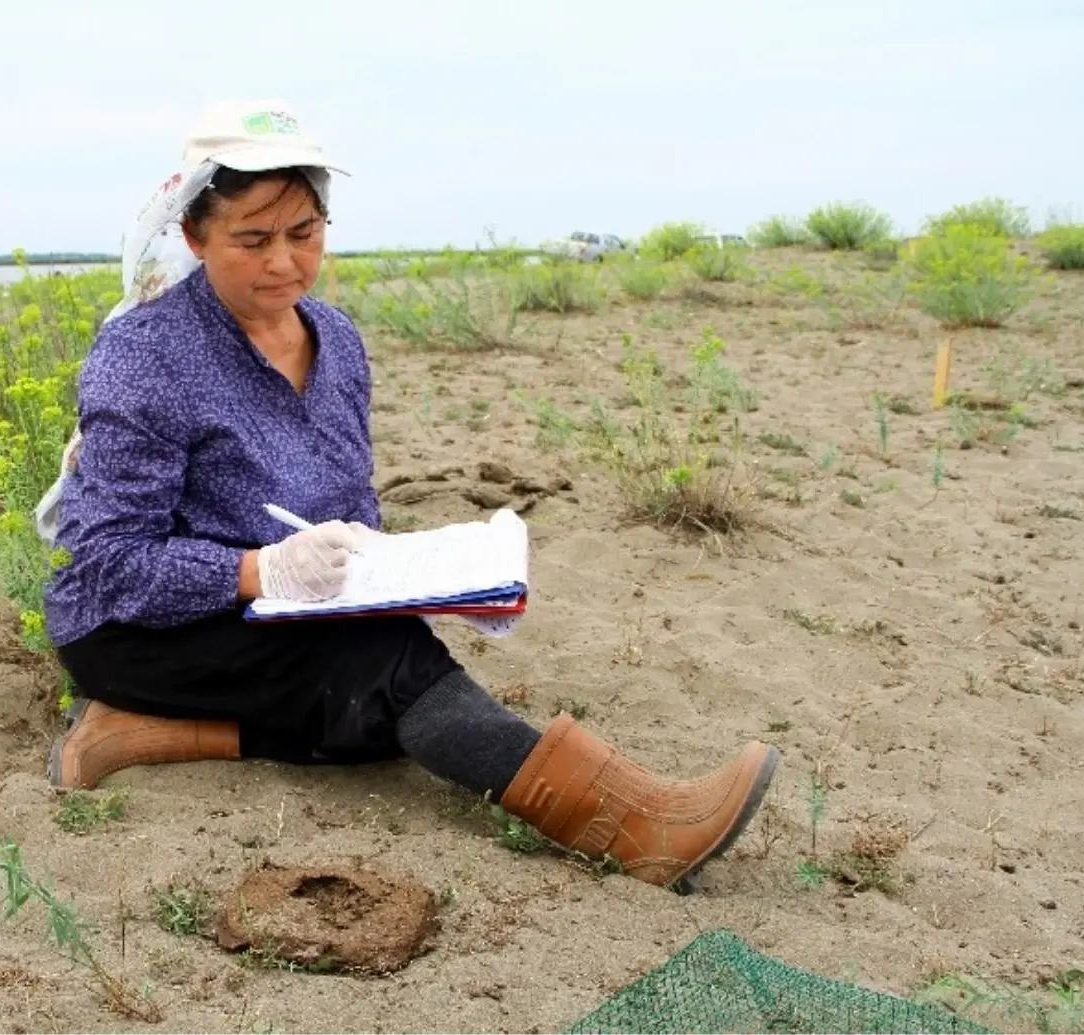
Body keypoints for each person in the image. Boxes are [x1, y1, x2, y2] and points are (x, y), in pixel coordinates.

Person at [41, 99, 780, 893]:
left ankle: (138, 731)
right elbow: (113, 563)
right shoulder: (146, 355)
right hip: (137, 626)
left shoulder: (336, 339)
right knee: (390, 674)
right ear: (194, 235)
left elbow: (352, 502)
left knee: (391, 702)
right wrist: (267, 571)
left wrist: (405, 578)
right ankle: (634, 827)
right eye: (251, 240)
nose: (283, 263)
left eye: (304, 234)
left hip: (279, 612)